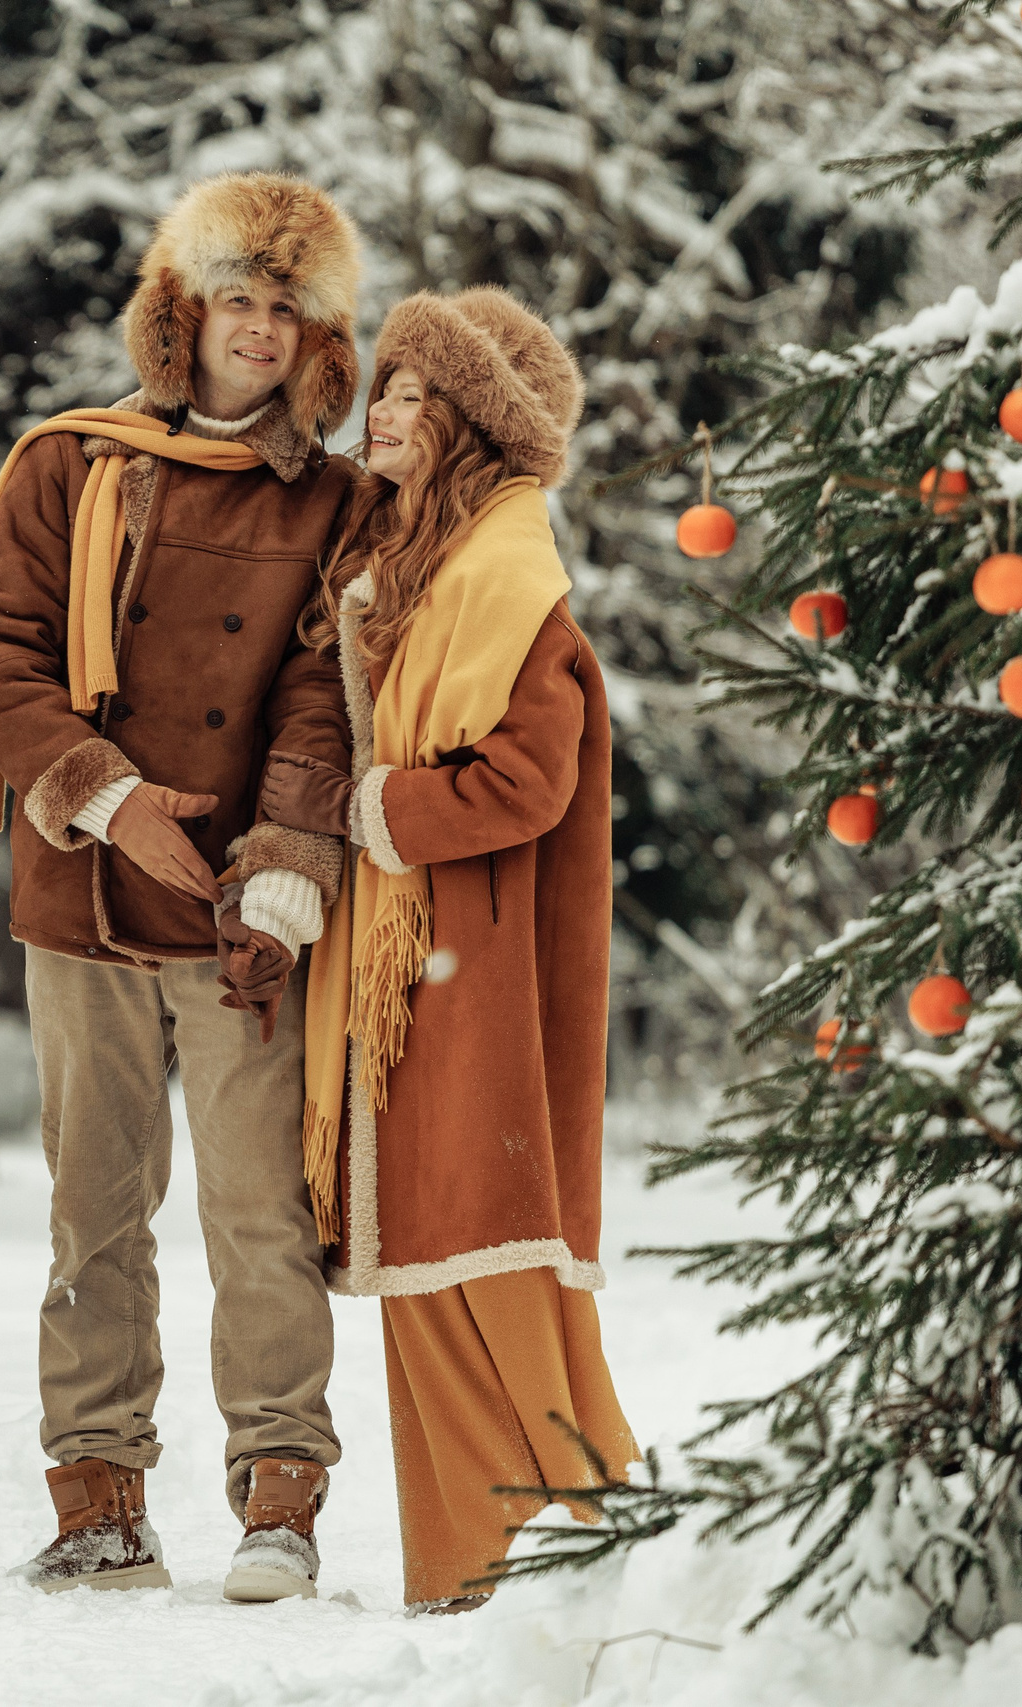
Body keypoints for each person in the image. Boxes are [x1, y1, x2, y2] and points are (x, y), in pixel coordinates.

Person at [0, 171, 365, 1601]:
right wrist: (109, 800)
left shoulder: (342, 506)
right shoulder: (69, 464)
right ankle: (100, 1502)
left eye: (285, 310)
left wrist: (287, 860)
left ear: (319, 346)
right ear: (180, 319)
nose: (258, 329)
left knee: (261, 1212)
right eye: (236, 301)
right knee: (96, 1210)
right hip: (83, 891)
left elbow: (329, 696)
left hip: (246, 906)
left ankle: (280, 1500)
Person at [301, 287, 638, 1614]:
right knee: (421, 1256)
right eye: (380, 388)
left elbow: (527, 782)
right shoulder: (409, 568)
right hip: (410, 966)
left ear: (471, 429)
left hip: (475, 966)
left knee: (492, 1253)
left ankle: (593, 1536)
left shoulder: (511, 582)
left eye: (407, 396)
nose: (378, 413)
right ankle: (469, 1573)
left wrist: (381, 809)